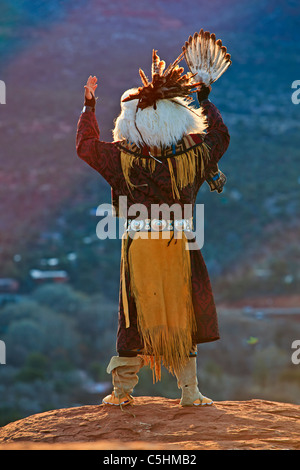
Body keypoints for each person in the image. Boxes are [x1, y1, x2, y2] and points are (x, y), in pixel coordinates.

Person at [76, 50, 230, 407]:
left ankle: (121, 391)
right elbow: (219, 136)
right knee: (182, 313)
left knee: (133, 314)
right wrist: (205, 97)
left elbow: (85, 148)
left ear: (131, 121)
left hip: (139, 245)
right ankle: (189, 391)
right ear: (178, 118)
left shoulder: (122, 159)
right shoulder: (194, 157)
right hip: (180, 242)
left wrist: (89, 107)